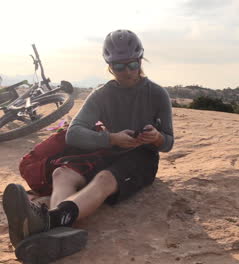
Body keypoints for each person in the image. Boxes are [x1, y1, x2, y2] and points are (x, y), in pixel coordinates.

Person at [2, 29, 174, 262]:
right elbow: (74, 133)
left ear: (140, 60)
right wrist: (111, 138)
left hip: (141, 156)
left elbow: (168, 143)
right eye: (118, 67)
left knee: (104, 178)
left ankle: (51, 221)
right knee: (63, 172)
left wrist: (155, 138)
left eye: (132, 65)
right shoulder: (101, 95)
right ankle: (55, 230)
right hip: (107, 149)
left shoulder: (157, 94)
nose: (127, 72)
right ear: (109, 66)